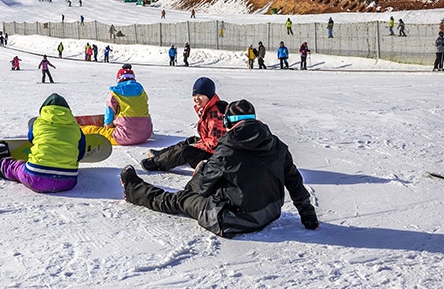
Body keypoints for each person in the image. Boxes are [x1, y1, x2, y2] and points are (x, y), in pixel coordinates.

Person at [121, 99, 319, 238]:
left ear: (229, 123)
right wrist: (308, 215)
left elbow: (203, 186)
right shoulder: (276, 144)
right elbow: (294, 181)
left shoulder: (228, 149)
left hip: (233, 220)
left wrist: (193, 184)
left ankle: (132, 189)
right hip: (270, 212)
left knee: (178, 200)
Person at [0, 93, 86, 193]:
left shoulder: (38, 123)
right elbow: (81, 151)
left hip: (36, 178)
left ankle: (3, 163)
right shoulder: (76, 128)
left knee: (17, 169)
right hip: (68, 181)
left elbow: (31, 138)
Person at [142, 77, 226, 172]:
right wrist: (196, 143)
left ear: (209, 96)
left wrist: (195, 146)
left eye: (201, 95)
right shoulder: (209, 109)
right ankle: (162, 155)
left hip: (216, 159)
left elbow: (215, 144)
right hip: (213, 152)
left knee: (186, 151)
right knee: (190, 140)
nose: (196, 98)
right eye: (194, 95)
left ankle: (157, 163)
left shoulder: (215, 114)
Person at [80, 64, 152, 146]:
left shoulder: (115, 93)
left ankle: (79, 130)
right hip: (145, 135)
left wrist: (109, 126)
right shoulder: (141, 91)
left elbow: (109, 114)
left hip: (124, 137)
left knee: (98, 132)